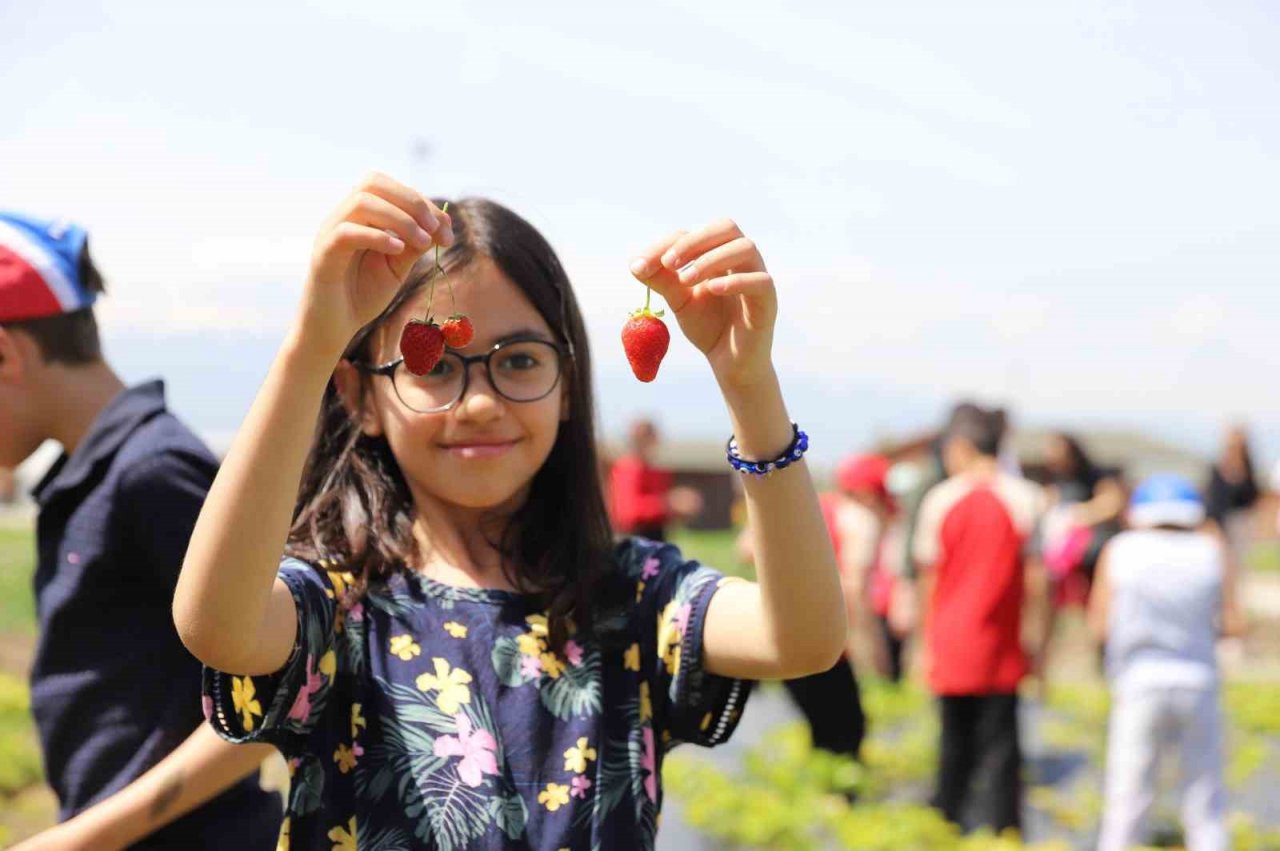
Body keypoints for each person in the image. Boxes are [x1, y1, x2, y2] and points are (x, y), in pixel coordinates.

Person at [172, 174, 846, 848]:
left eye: (520, 360)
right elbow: (216, 625)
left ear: (569, 387)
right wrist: (310, 347)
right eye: (434, 366)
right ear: (359, 397)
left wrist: (750, 382)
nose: (481, 402)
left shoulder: (632, 594)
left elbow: (802, 638)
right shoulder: (337, 605)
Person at [0, 212, 280, 849]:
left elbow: (280, 693)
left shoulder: (154, 472)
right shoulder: (92, 476)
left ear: (4, 352)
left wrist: (89, 838)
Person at [1091, 474, 1245, 851]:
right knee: (1204, 803)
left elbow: (1098, 624)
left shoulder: (1121, 550)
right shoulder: (1210, 550)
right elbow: (1232, 622)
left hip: (1138, 682)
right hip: (1197, 681)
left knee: (1126, 802)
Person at [912, 405, 1047, 834]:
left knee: (953, 744)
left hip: (951, 639)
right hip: (1003, 643)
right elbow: (1039, 583)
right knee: (1003, 748)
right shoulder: (1025, 498)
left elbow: (928, 581)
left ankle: (947, 826)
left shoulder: (941, 499)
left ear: (961, 447)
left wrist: (922, 644)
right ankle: (1003, 832)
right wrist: (1039, 645)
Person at [608, 418, 703, 541]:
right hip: (635, 540)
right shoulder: (629, 468)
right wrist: (670, 503)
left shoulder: (655, 471)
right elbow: (628, 511)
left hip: (654, 537)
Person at [1205, 425, 1260, 564]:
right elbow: (1215, 498)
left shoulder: (1247, 469)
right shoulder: (1218, 468)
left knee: (1237, 560)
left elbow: (1252, 495)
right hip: (1221, 520)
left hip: (1240, 522)